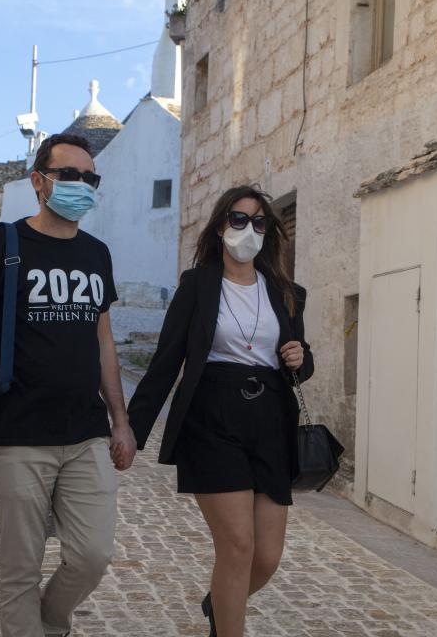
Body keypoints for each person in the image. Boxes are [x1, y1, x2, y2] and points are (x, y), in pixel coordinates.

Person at [0, 133, 137, 637]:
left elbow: (103, 340)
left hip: (85, 434)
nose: (81, 185)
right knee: (19, 568)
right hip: (15, 433)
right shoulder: (5, 243)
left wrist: (120, 420)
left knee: (93, 554)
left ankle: (50, 622)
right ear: (40, 182)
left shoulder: (97, 254)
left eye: (89, 177)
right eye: (69, 175)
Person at [127, 185, 314, 637]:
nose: (248, 229)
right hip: (211, 417)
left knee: (266, 558)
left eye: (259, 222)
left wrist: (300, 357)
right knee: (237, 545)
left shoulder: (288, 292)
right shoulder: (198, 285)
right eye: (238, 219)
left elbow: (300, 366)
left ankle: (220, 602)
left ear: (268, 232)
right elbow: (166, 360)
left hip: (270, 420)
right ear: (219, 226)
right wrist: (130, 430)